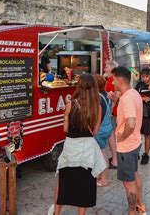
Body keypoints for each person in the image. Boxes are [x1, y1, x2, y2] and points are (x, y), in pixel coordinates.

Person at [52, 74, 106, 215]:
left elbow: (65, 129)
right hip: (87, 151)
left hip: (71, 149)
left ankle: (56, 213)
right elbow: (94, 132)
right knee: (84, 185)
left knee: (63, 183)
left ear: (79, 86)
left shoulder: (71, 103)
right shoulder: (98, 107)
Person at [113, 66, 146, 215]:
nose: (112, 83)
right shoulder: (133, 93)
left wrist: (122, 136)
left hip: (126, 146)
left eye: (113, 80)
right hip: (135, 143)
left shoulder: (126, 98)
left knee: (128, 182)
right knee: (135, 174)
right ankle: (140, 205)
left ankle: (132, 211)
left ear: (119, 81)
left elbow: (131, 123)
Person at [134, 67, 150, 165]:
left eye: (146, 76)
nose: (144, 78)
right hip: (138, 112)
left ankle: (146, 154)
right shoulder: (139, 84)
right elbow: (134, 95)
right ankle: (136, 152)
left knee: (147, 135)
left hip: (148, 113)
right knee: (137, 134)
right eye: (143, 76)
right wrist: (141, 98)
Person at [93, 74, 113, 186]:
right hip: (107, 127)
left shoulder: (98, 98)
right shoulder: (106, 95)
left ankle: (104, 178)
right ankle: (101, 175)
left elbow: (97, 117)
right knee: (102, 152)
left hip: (100, 130)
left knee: (102, 154)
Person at [104, 60, 119, 169]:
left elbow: (116, 96)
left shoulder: (113, 80)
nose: (105, 69)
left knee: (112, 136)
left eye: (106, 67)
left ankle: (115, 160)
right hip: (114, 111)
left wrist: (110, 111)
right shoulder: (111, 78)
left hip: (114, 112)